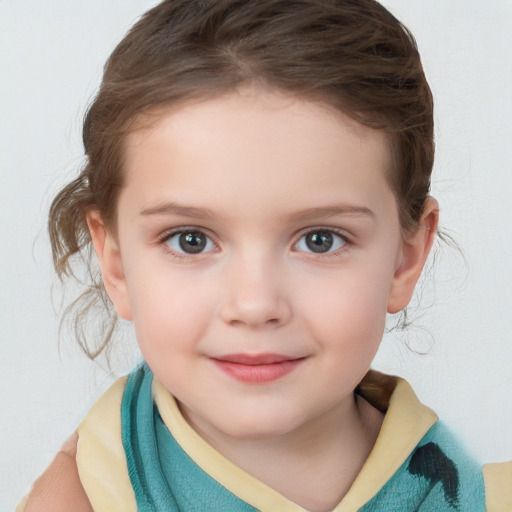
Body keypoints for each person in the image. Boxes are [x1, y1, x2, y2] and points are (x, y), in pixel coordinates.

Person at [17, 0, 511, 510]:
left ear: (404, 259)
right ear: (115, 263)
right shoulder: (79, 497)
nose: (254, 305)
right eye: (191, 240)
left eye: (320, 239)